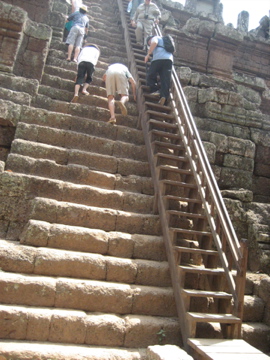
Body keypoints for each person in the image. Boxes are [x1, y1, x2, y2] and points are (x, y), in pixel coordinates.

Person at [144, 35, 173, 106]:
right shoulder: (165, 41)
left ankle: (155, 89)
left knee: (150, 74)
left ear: (150, 39)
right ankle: (164, 96)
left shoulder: (156, 38)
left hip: (158, 59)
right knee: (165, 79)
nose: (149, 45)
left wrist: (148, 54)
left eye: (149, 43)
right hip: (169, 59)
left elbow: (154, 43)